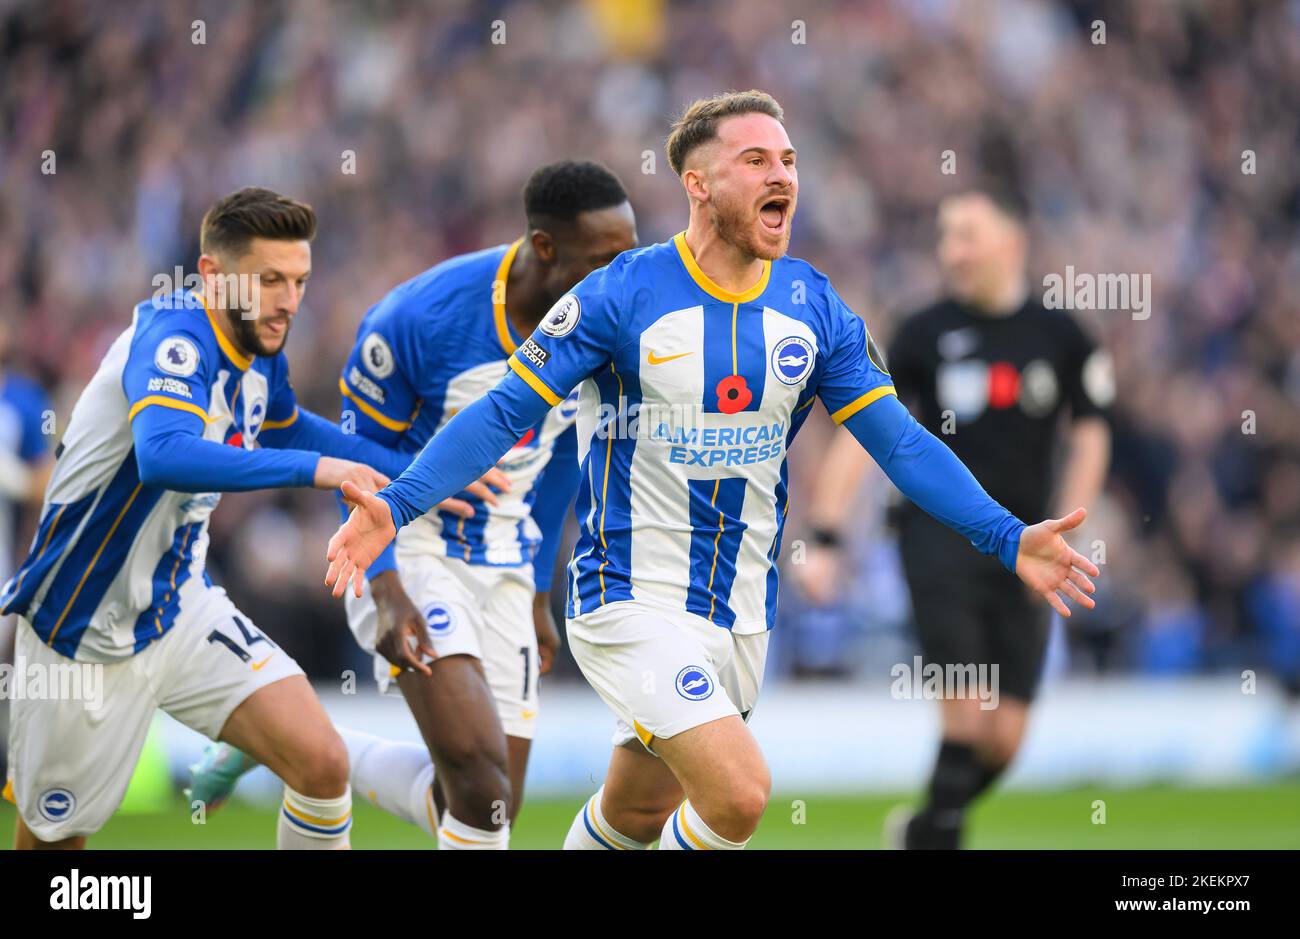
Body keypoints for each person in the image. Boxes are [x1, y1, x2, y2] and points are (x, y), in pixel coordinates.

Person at [323, 91, 1099, 851]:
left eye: (789, 161)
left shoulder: (812, 304)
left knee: (634, 810)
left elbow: (899, 443)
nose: (783, 177)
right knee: (737, 796)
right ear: (698, 184)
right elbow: (502, 413)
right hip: (628, 597)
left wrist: (1007, 536)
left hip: (740, 612)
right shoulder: (621, 294)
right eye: (755, 159)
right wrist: (396, 504)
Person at [0, 187, 489, 849]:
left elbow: (289, 427)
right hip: (82, 629)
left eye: (299, 281)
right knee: (56, 848)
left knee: (321, 763)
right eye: (269, 281)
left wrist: (419, 466)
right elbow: (164, 455)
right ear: (211, 275)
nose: (289, 300)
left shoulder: (259, 351)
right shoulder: (172, 338)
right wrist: (322, 474)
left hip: (178, 608)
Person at [189, 161, 637, 850]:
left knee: (484, 805)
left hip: (507, 562)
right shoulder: (419, 318)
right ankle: (301, 740)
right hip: (415, 550)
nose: (619, 276)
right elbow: (360, 470)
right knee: (483, 790)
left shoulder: (600, 325)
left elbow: (554, 467)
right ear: (545, 248)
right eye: (603, 259)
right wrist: (388, 586)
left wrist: (541, 589)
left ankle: (300, 742)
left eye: (627, 256)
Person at [799, 185, 1113, 848]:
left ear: (1012, 240)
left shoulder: (1060, 335)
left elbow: (1091, 431)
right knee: (967, 719)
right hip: (936, 539)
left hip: (1031, 545)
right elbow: (866, 430)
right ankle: (934, 839)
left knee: (1005, 739)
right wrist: (826, 535)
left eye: (967, 234)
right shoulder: (922, 332)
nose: (953, 251)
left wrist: (1070, 522)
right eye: (946, 236)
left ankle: (922, 831)